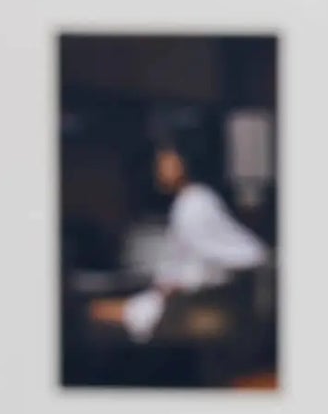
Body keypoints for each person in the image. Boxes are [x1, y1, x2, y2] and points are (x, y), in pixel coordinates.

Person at [91, 130, 270, 343]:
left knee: (95, 313)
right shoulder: (191, 201)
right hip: (175, 299)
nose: (159, 169)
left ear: (182, 163)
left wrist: (182, 284)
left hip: (185, 305)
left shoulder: (195, 204)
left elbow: (240, 254)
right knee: (98, 310)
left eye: (165, 161)